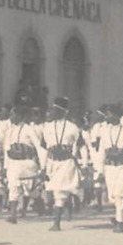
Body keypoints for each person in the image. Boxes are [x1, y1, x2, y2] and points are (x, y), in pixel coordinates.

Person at [40, 98, 85, 231]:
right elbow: (44, 149)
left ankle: (56, 223)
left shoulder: (72, 127)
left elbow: (81, 146)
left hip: (66, 162)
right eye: (53, 109)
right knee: (54, 189)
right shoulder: (46, 127)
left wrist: (85, 163)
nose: (53, 112)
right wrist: (43, 167)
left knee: (59, 192)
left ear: (63, 112)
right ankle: (72, 198)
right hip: (52, 163)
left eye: (56, 110)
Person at [92, 104, 123, 233]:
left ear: (116, 115)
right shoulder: (104, 131)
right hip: (109, 167)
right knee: (113, 196)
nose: (107, 117)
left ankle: (119, 222)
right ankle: (119, 215)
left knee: (120, 194)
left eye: (109, 114)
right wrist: (100, 170)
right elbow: (101, 151)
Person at [1, 105, 45, 225]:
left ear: (20, 116)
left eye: (13, 114)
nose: (11, 117)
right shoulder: (9, 131)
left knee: (30, 190)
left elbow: (39, 147)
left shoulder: (29, 129)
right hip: (13, 163)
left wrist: (43, 166)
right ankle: (13, 215)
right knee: (13, 187)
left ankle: (41, 205)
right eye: (10, 114)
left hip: (27, 162)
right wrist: (5, 167)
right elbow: (6, 150)